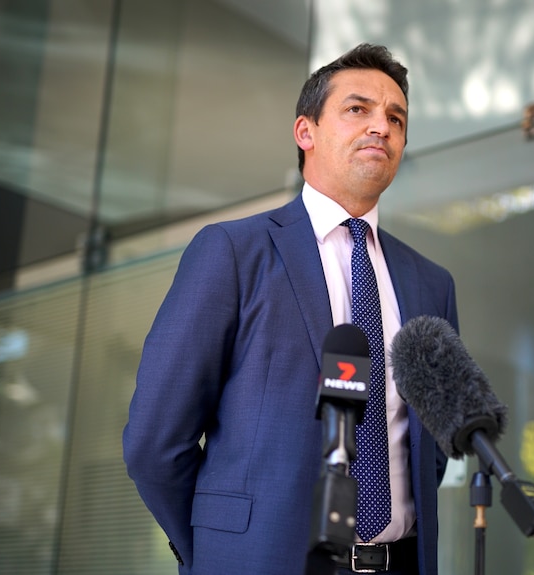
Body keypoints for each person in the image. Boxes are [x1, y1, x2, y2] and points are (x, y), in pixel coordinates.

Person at [123, 43, 459, 575]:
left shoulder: (430, 284)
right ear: (306, 131)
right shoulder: (233, 252)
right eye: (358, 109)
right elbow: (155, 442)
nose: (381, 127)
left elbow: (429, 448)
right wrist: (214, 550)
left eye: (396, 117)